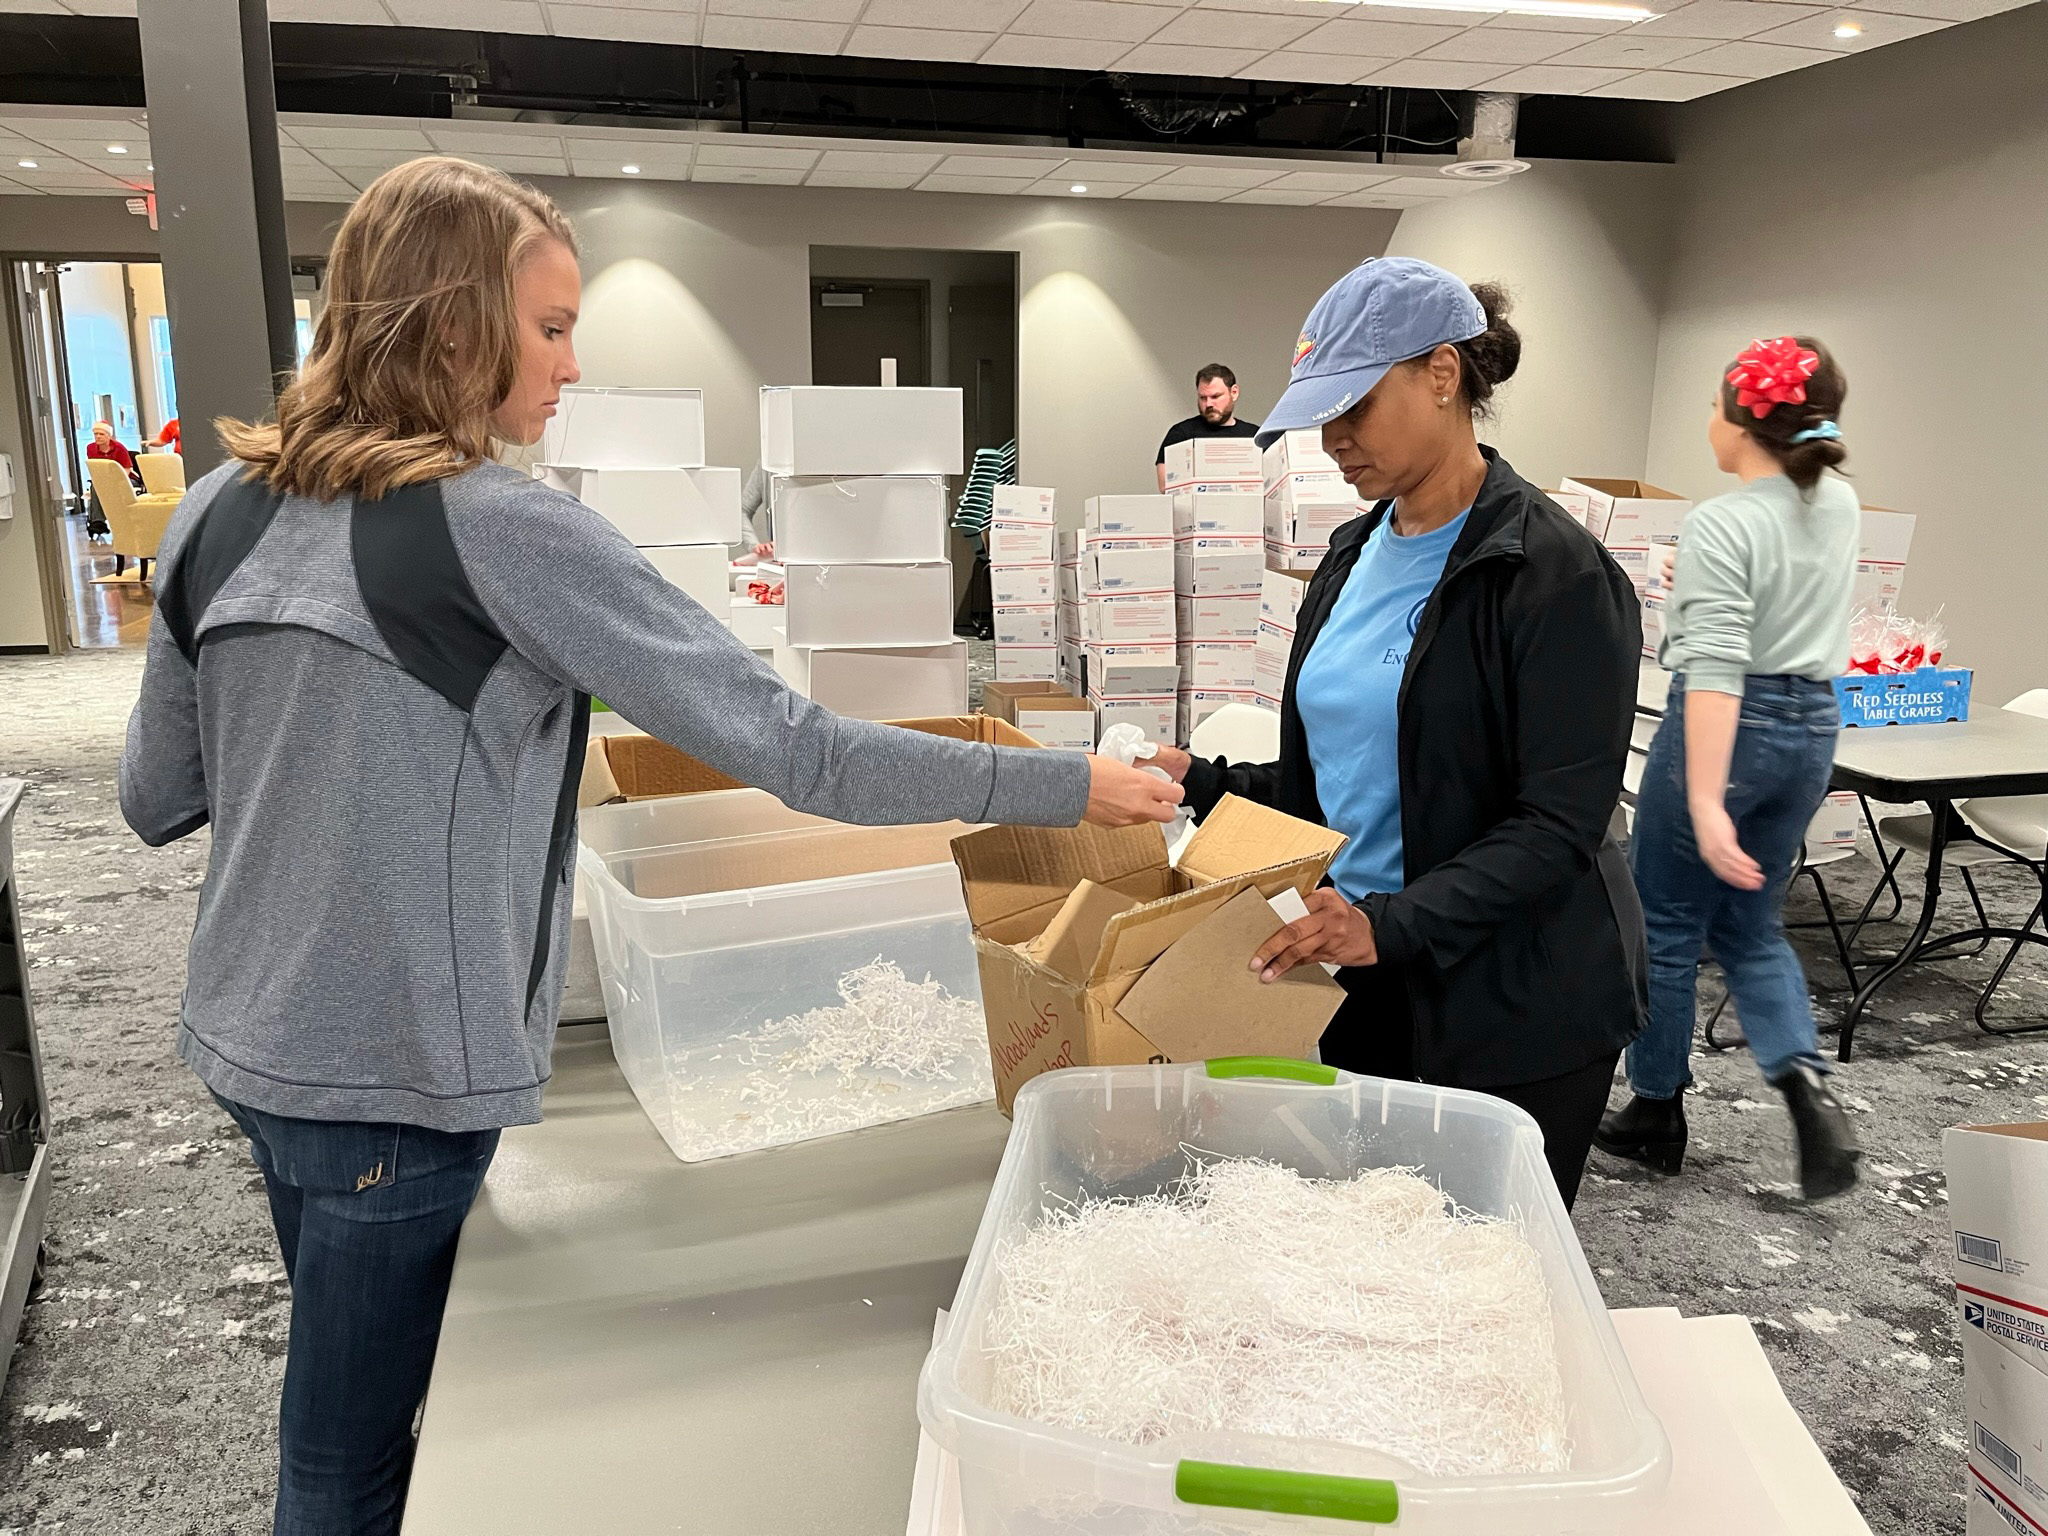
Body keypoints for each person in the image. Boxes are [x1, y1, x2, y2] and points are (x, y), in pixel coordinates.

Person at [119, 156, 1180, 1536]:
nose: (571, 366)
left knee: (361, 1374)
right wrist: (1061, 782)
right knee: (346, 1464)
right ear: (454, 327)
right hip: (393, 1073)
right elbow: (803, 752)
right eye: (550, 329)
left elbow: (157, 792)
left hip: (246, 1036)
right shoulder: (505, 531)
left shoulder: (216, 511)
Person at [1147, 258, 1645, 1211]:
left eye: (1356, 408)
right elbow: (1340, 771)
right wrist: (1201, 779)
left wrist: (1389, 923)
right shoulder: (1349, 555)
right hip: (1365, 975)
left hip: (1513, 1001)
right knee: (1362, 1246)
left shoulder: (1552, 575)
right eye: (1321, 416)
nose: (1334, 441)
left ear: (1444, 374)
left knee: (1481, 1267)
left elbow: (1558, 824)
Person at [1595, 337, 1861, 1201]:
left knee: (1667, 920)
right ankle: (1808, 1088)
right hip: (1811, 729)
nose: (1706, 422)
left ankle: (1655, 1111)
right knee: (1751, 926)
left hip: (1732, 731)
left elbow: (1713, 668)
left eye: (1713, 405)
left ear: (1742, 419)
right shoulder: (1839, 503)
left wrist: (1706, 801)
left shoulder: (1721, 520)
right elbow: (1784, 590)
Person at [1154, 363, 1259, 491]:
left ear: (1234, 392)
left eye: (1215, 396)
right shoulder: (1181, 434)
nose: (1208, 404)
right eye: (1203, 398)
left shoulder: (1255, 436)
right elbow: (1165, 487)